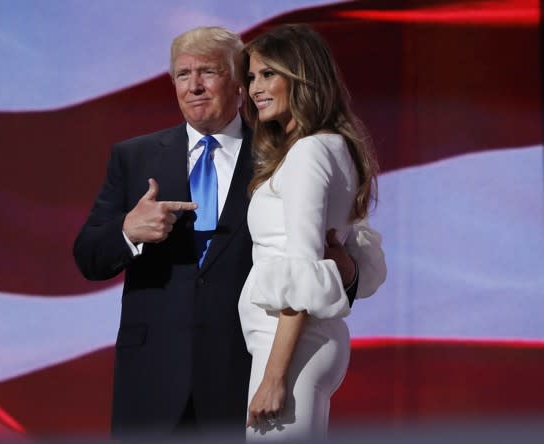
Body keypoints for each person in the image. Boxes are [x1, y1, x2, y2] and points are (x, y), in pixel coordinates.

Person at [72, 26, 386, 439]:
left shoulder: (280, 150)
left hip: (246, 371)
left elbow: (334, 242)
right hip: (151, 381)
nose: (195, 86)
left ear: (237, 82)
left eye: (208, 72)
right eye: (183, 75)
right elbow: (87, 255)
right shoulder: (134, 157)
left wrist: (348, 273)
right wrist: (128, 230)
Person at [239, 24, 381, 441]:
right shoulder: (333, 146)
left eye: (268, 74)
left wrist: (274, 376)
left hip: (291, 348)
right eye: (251, 77)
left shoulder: (309, 152)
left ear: (302, 77)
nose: (254, 88)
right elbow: (345, 258)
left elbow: (302, 270)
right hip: (302, 344)